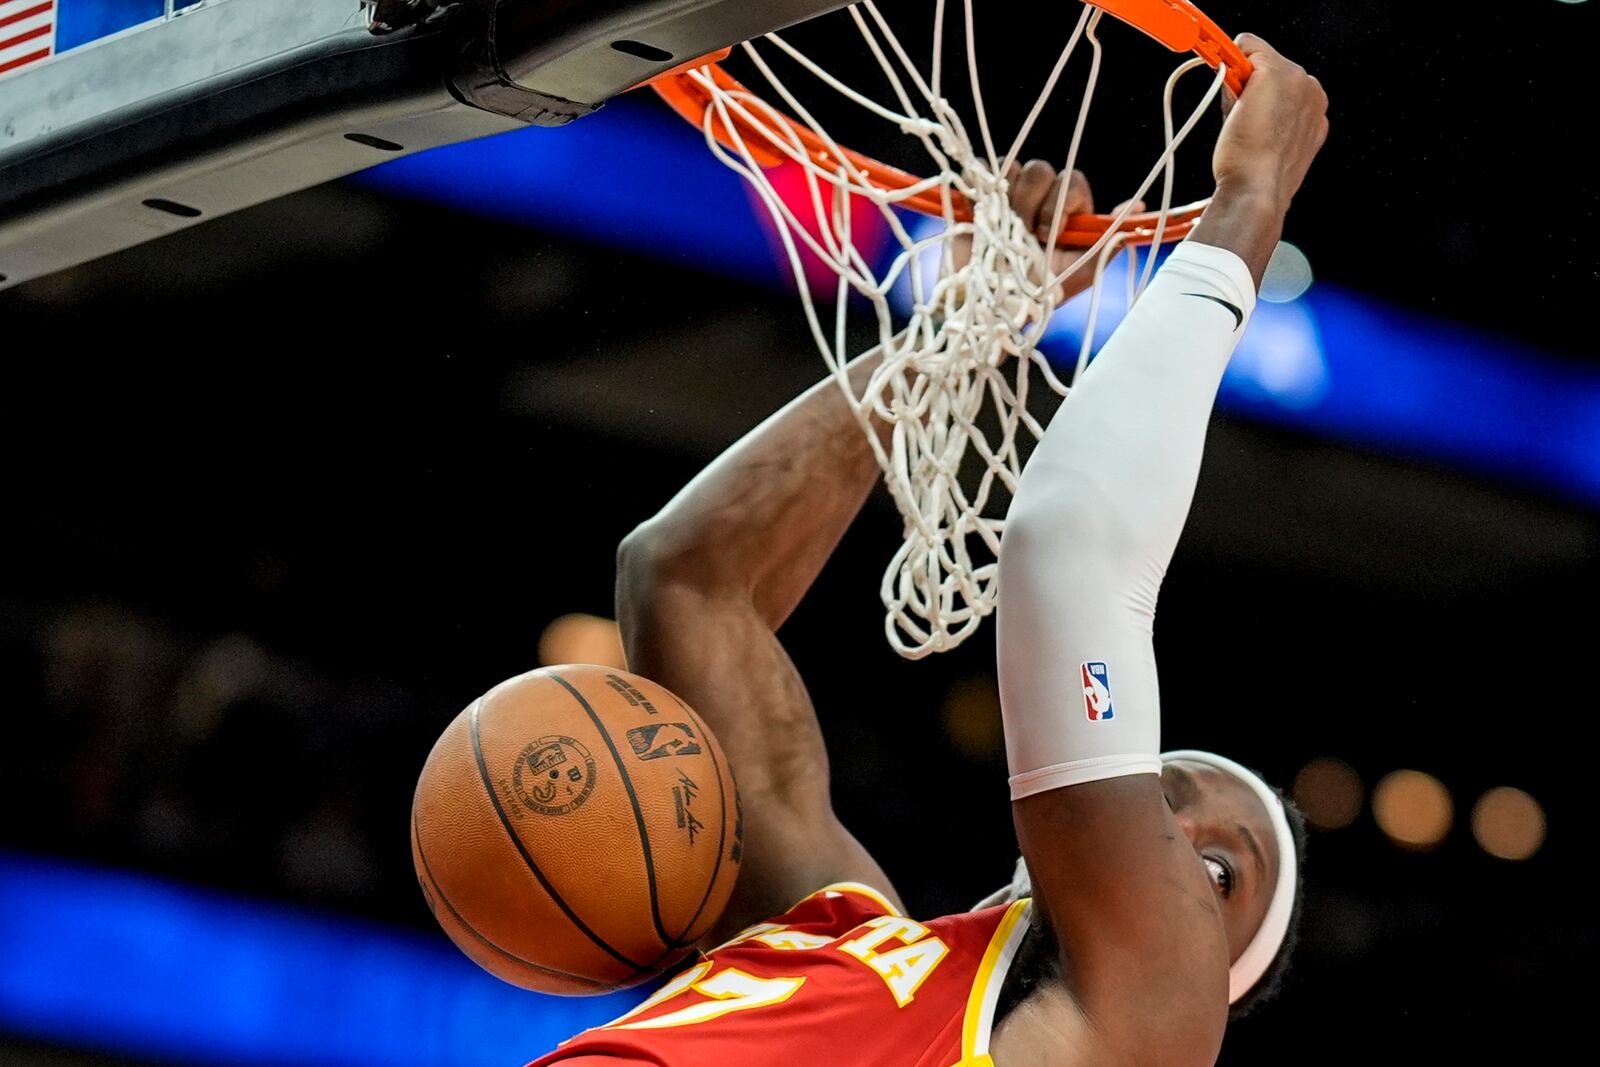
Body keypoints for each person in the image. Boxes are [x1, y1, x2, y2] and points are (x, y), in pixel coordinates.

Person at [529, 33, 1329, 1067]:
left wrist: (1247, 208)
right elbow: (687, 582)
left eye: (1220, 875)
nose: (1165, 834)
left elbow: (1069, 549)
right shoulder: (838, 938)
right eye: (1157, 783)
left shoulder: (1147, 1033)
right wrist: (970, 321)